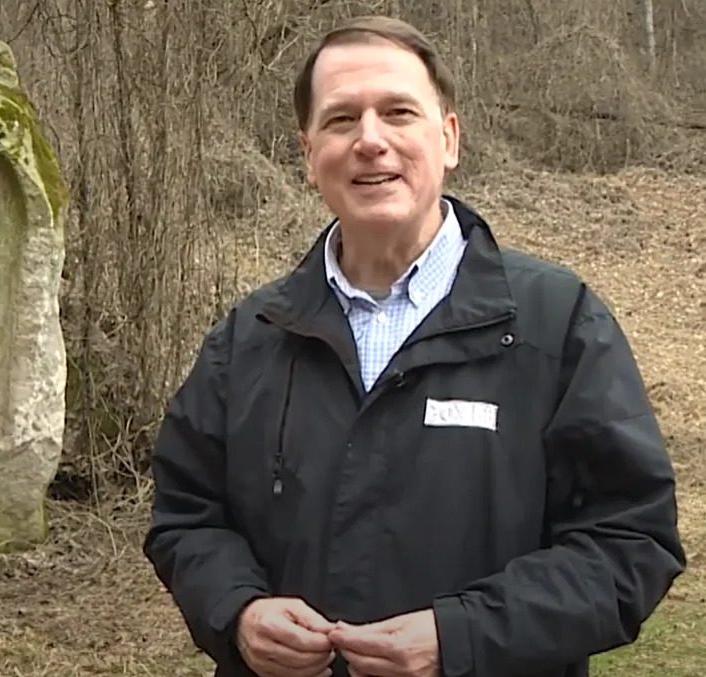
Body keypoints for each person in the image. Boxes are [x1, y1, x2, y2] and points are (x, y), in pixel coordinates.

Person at [143, 15, 685, 677]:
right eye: (342, 119)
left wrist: (462, 637)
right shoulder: (250, 339)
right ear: (308, 154)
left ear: (448, 138)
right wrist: (238, 611)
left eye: (398, 112)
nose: (371, 140)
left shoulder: (557, 325)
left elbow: (630, 544)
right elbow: (185, 517)